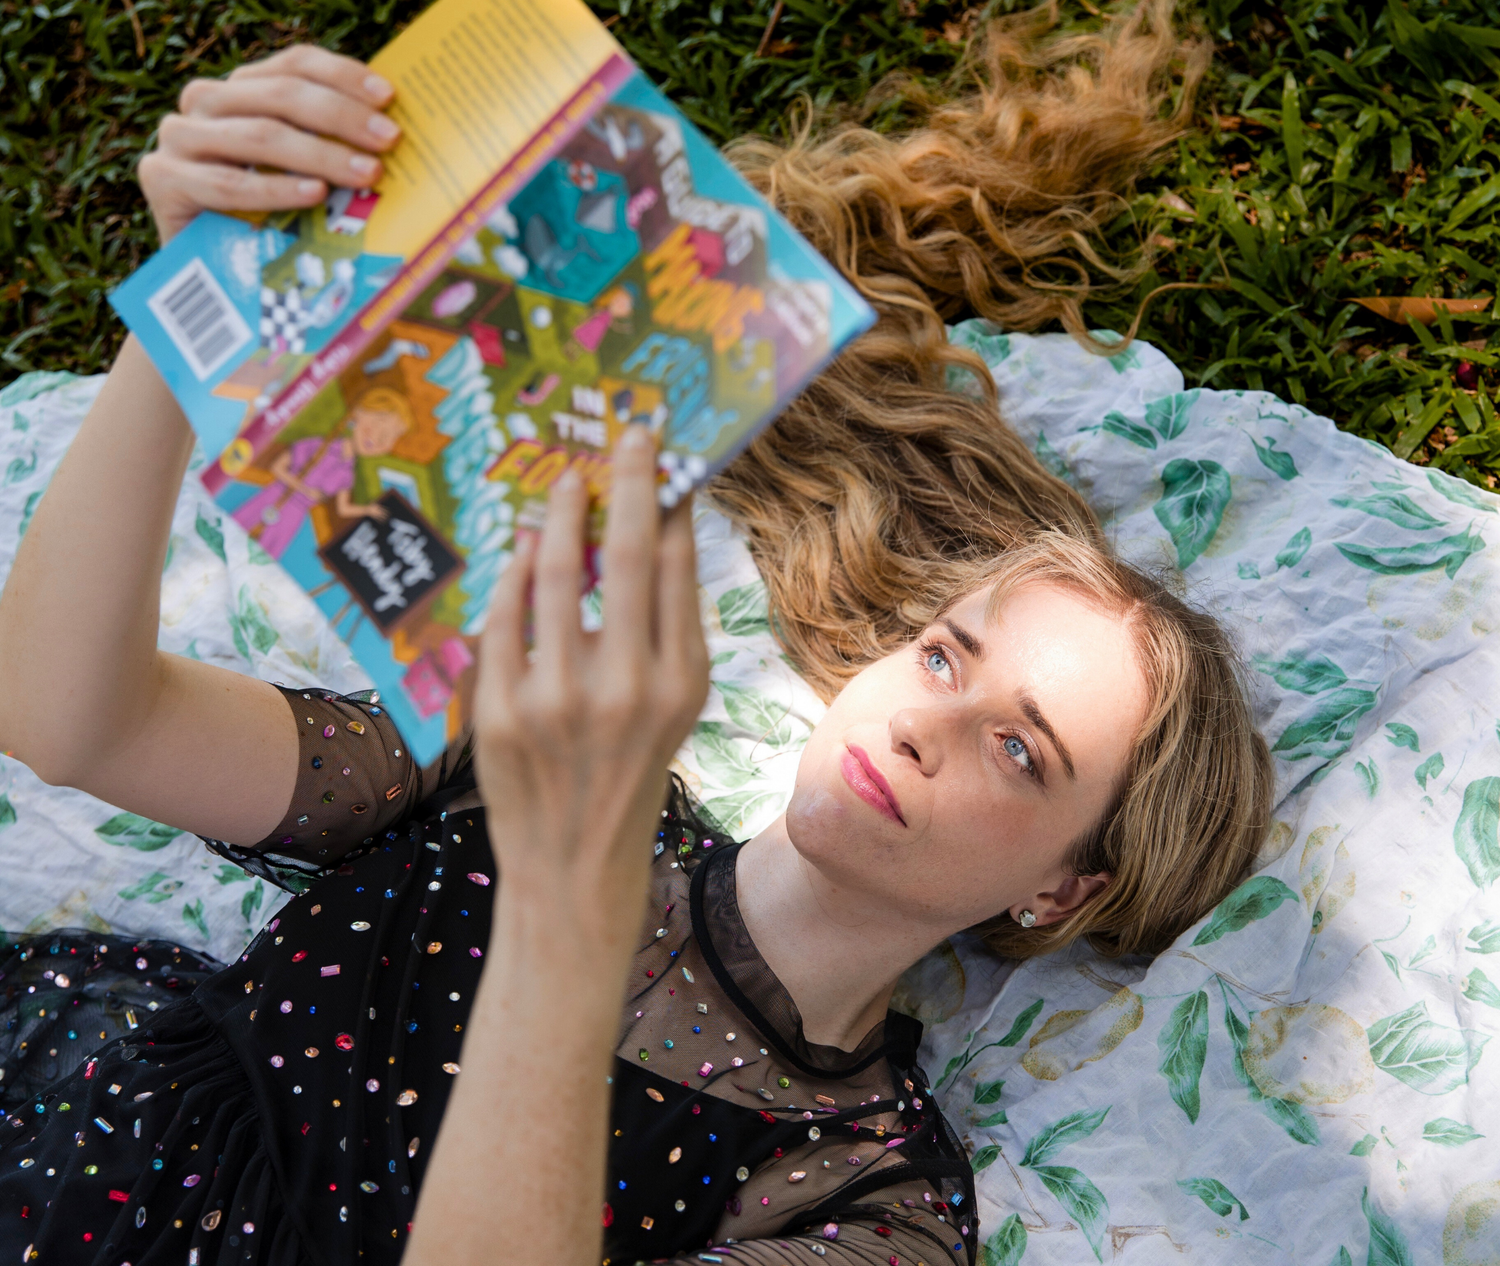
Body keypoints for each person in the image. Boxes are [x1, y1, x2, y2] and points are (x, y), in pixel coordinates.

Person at [0, 5, 1271, 1265]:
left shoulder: (874, 1206)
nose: (928, 722)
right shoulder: (517, 754)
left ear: (1061, 890)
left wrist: (572, 879)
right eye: (945, 654)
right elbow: (71, 716)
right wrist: (183, 316)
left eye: (1020, 750)